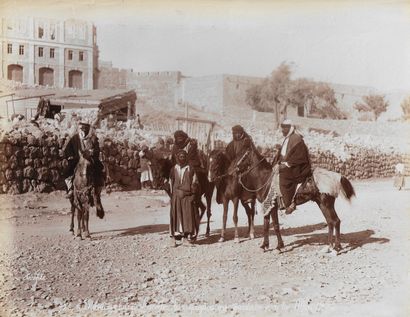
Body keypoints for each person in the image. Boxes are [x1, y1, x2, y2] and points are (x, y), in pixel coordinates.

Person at [63, 119, 105, 213]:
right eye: (82, 127)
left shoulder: (93, 138)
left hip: (91, 160)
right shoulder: (75, 138)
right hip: (77, 160)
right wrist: (70, 156)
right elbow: (67, 149)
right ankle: (70, 189)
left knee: (100, 169)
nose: (84, 129)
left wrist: (94, 152)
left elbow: (97, 149)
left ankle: (97, 194)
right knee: (66, 172)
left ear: (88, 128)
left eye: (86, 128)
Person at [274, 119, 312, 214]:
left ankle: (289, 203)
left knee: (284, 176)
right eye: (282, 128)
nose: (282, 130)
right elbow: (285, 154)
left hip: (298, 167)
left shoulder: (296, 138)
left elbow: (300, 156)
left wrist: (286, 164)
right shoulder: (288, 138)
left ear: (289, 128)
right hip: (288, 164)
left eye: (284, 128)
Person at [169, 150, 200, 247]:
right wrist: (173, 195)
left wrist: (192, 196)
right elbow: (170, 183)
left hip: (187, 196)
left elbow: (195, 183)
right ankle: (173, 239)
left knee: (187, 217)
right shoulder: (174, 169)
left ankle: (186, 239)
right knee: (175, 217)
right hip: (176, 197)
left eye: (183, 156)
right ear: (177, 157)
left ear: (186, 157)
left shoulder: (191, 169)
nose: (182, 158)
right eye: (180, 156)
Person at [171, 130, 206, 212]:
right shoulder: (175, 146)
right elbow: (174, 157)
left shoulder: (190, 144)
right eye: (178, 138)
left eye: (181, 138)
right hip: (177, 165)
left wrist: (193, 145)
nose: (180, 140)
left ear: (184, 138)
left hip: (190, 164)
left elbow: (193, 155)